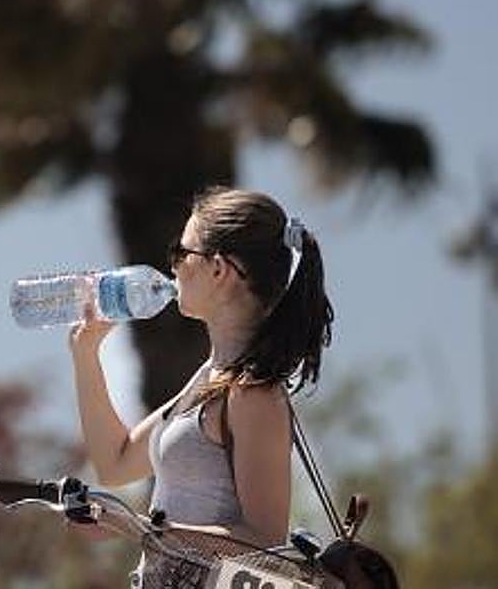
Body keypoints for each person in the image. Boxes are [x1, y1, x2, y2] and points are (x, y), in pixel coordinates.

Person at [69, 187, 334, 549]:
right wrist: (86, 353)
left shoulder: (253, 394)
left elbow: (264, 542)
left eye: (181, 252)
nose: (173, 266)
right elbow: (114, 463)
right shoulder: (211, 378)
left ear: (219, 269)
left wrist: (139, 528)